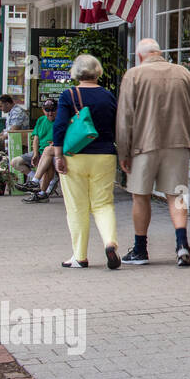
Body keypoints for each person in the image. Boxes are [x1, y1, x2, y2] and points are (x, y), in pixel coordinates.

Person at [115, 38, 190, 266]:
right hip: (177, 143)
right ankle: (182, 245)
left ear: (140, 56)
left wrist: (123, 152)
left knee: (140, 196)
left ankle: (140, 249)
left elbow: (125, 118)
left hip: (144, 145)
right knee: (177, 195)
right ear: (160, 52)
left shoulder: (133, 76)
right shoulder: (183, 74)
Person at [51, 55, 120, 269]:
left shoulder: (69, 95)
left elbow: (60, 126)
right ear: (97, 71)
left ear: (76, 72)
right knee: (103, 204)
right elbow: (117, 126)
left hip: (75, 156)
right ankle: (110, 242)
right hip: (105, 155)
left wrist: (57, 155)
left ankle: (80, 256)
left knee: (77, 207)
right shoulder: (108, 96)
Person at [12, 98, 59, 203]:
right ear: (43, 110)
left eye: (53, 110)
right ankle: (36, 182)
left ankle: (41, 192)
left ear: (58, 109)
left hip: (53, 152)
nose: (50, 113)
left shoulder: (62, 120)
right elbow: (36, 139)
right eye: (47, 110)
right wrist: (35, 154)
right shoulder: (41, 120)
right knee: (15, 162)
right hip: (40, 151)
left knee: (48, 164)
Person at [0, 94, 30, 162]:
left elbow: (13, 131)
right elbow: (5, 131)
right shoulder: (11, 112)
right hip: (8, 137)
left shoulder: (17, 112)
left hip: (16, 139)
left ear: (7, 104)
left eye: (1, 106)